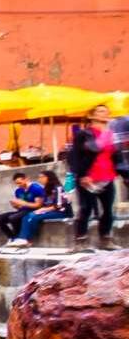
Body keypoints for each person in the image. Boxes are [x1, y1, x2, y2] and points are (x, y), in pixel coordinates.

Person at [69, 104, 119, 251]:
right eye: (100, 111)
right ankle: (80, 241)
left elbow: (117, 156)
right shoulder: (84, 134)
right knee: (86, 209)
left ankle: (105, 240)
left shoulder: (111, 135)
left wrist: (124, 174)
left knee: (108, 210)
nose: (104, 114)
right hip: (89, 177)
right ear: (91, 115)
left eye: (106, 112)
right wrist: (82, 174)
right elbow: (75, 156)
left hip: (107, 175)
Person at [9, 175, 71, 248]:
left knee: (33, 216)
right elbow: (45, 203)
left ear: (48, 178)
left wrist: (43, 209)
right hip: (50, 210)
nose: (39, 179)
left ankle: (27, 239)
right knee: (27, 216)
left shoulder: (58, 188)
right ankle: (23, 238)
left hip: (62, 212)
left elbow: (59, 205)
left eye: (42, 177)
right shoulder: (46, 189)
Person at [0, 173, 43, 242]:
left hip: (33, 210)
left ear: (26, 179)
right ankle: (11, 237)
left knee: (13, 217)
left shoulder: (36, 188)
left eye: (20, 183)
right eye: (17, 183)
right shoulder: (18, 191)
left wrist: (24, 203)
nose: (19, 185)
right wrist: (15, 205)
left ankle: (18, 237)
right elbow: (20, 207)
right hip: (22, 211)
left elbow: (38, 205)